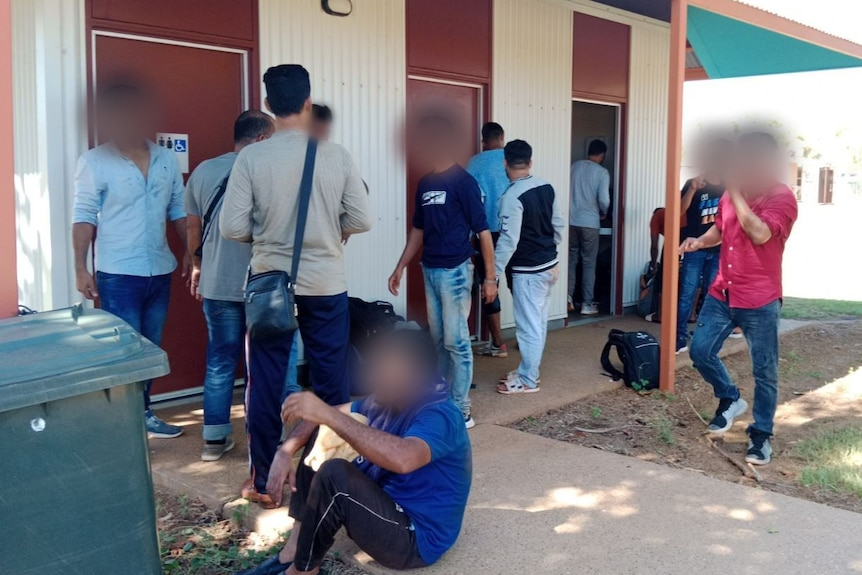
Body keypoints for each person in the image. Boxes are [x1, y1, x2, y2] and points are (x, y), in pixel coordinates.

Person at [220, 64, 372, 507]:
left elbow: (232, 227)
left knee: (266, 382)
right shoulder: (336, 155)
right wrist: (329, 230)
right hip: (326, 283)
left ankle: (265, 481)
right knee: (331, 380)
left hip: (271, 285)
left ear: (269, 105)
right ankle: (329, 477)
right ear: (307, 104)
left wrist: (267, 237)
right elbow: (361, 219)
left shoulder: (252, 157)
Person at [237, 329, 471, 575]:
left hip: (416, 540)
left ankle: (303, 571)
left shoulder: (440, 415)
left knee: (335, 474)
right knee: (322, 434)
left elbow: (404, 458)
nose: (375, 375)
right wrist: (286, 450)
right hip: (387, 507)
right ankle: (294, 550)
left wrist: (328, 415)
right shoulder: (387, 399)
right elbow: (325, 415)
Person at [72, 84, 189, 439]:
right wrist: (80, 267)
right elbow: (83, 215)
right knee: (123, 349)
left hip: (159, 269)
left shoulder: (166, 160)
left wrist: (191, 251)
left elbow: (179, 210)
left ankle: (143, 412)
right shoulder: (94, 161)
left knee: (150, 346)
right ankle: (120, 420)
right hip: (118, 273)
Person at [684, 131, 798, 466]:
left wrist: (733, 190)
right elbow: (720, 229)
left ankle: (760, 436)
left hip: (760, 298)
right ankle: (730, 397)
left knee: (765, 370)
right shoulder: (729, 198)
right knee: (700, 351)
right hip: (722, 291)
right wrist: (698, 242)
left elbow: (759, 232)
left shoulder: (782, 198)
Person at [388, 115, 497, 429]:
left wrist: (490, 279)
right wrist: (400, 267)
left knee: (457, 342)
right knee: (438, 342)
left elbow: (484, 233)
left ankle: (461, 409)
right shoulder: (426, 183)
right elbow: (417, 231)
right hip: (430, 270)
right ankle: (440, 402)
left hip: (456, 272)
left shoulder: (464, 182)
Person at [185, 111, 275, 461]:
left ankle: (214, 440)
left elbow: (194, 229)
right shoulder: (266, 171)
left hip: (217, 283)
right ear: (263, 139)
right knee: (262, 365)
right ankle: (261, 440)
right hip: (261, 286)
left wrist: (197, 266)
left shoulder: (203, 171)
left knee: (220, 361)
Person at [493, 140, 564, 395]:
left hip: (528, 271)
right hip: (549, 265)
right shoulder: (546, 186)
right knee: (538, 323)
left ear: (505, 163)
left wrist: (493, 274)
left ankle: (528, 380)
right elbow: (558, 224)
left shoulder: (512, 196)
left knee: (528, 326)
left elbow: (508, 241)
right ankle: (528, 370)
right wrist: (550, 249)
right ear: (530, 161)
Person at [676, 138, 732, 353]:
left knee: (712, 296)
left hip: (718, 250)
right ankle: (679, 338)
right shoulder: (693, 183)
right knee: (687, 294)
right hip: (694, 248)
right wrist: (691, 189)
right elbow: (679, 212)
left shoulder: (729, 186)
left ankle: (704, 338)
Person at [466, 122, 509, 358]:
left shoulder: (474, 163)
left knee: (489, 284)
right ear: (502, 137)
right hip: (513, 230)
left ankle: (498, 344)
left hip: (486, 233)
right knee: (520, 285)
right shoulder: (511, 159)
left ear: (484, 140)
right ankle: (527, 339)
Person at [568, 139, 610, 315]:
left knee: (571, 260)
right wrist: (604, 212)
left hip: (571, 221)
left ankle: (568, 297)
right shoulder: (602, 172)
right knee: (588, 263)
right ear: (601, 155)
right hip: (590, 223)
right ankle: (586, 303)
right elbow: (604, 199)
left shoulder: (573, 167)